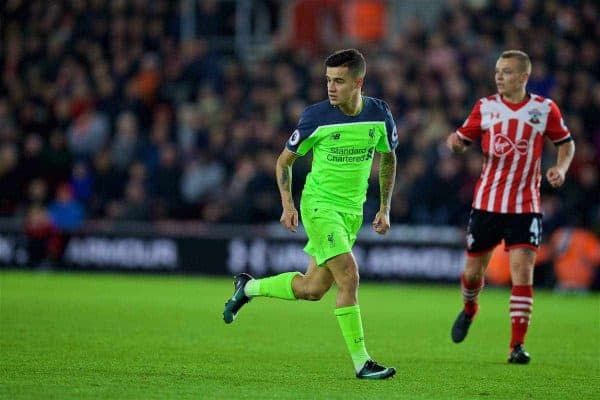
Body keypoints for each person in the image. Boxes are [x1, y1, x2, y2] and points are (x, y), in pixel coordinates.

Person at [223, 49, 398, 379]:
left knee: (312, 289)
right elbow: (282, 162)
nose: (331, 88)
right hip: (319, 207)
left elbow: (388, 158)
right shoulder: (316, 117)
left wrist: (384, 207)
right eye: (328, 80)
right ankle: (362, 362)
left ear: (358, 82)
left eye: (339, 81)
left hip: (351, 213)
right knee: (349, 276)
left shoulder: (379, 114)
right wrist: (288, 205)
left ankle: (247, 288)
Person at [446, 50, 575, 364]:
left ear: (523, 76)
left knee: (522, 273)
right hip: (487, 205)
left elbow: (566, 144)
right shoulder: (485, 107)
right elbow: (462, 137)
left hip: (526, 206)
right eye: (497, 71)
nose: (499, 77)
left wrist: (561, 169)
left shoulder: (544, 109)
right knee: (473, 272)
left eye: (505, 72)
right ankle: (469, 308)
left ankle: (516, 346)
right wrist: (456, 144)